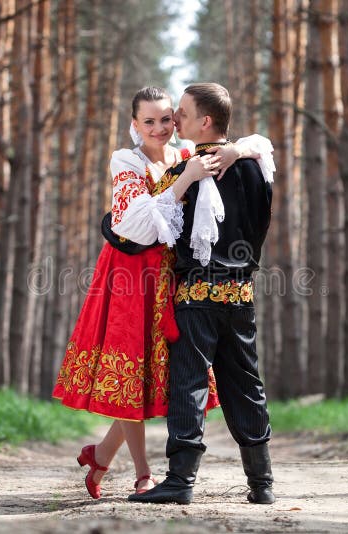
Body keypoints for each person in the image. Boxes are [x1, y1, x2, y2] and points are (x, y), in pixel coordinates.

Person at [52, 86, 273, 499]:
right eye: (148, 121)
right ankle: (143, 473)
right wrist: (188, 178)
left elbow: (256, 144)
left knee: (164, 377)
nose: (160, 127)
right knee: (134, 371)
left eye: (167, 118)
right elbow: (130, 226)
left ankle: (104, 457)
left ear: (180, 121)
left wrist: (235, 152)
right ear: (134, 125)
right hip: (133, 273)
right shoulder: (129, 160)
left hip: (174, 276)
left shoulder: (183, 157)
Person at [128, 83, 275, 505]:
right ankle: (262, 484)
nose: (175, 120)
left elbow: (143, 228)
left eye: (184, 114)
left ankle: (180, 481)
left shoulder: (188, 171)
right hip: (241, 293)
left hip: (196, 295)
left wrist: (110, 225)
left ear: (205, 122)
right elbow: (261, 154)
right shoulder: (258, 165)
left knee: (189, 383)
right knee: (245, 383)